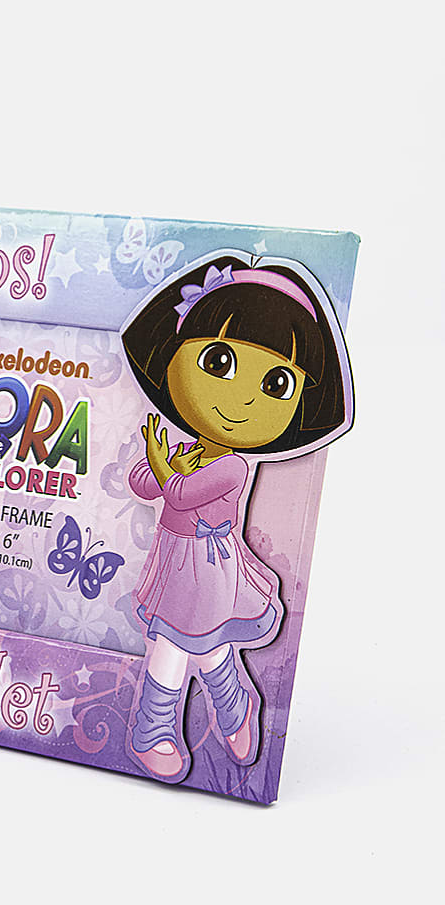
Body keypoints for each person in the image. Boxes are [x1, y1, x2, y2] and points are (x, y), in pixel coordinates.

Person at [120, 254, 353, 781]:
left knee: (173, 644)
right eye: (218, 362)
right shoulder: (190, 448)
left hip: (207, 566)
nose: (243, 398)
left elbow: (180, 493)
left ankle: (152, 731)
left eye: (275, 385)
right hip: (174, 559)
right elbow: (144, 484)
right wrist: (157, 462)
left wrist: (162, 462)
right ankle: (235, 705)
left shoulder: (232, 465)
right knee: (206, 646)